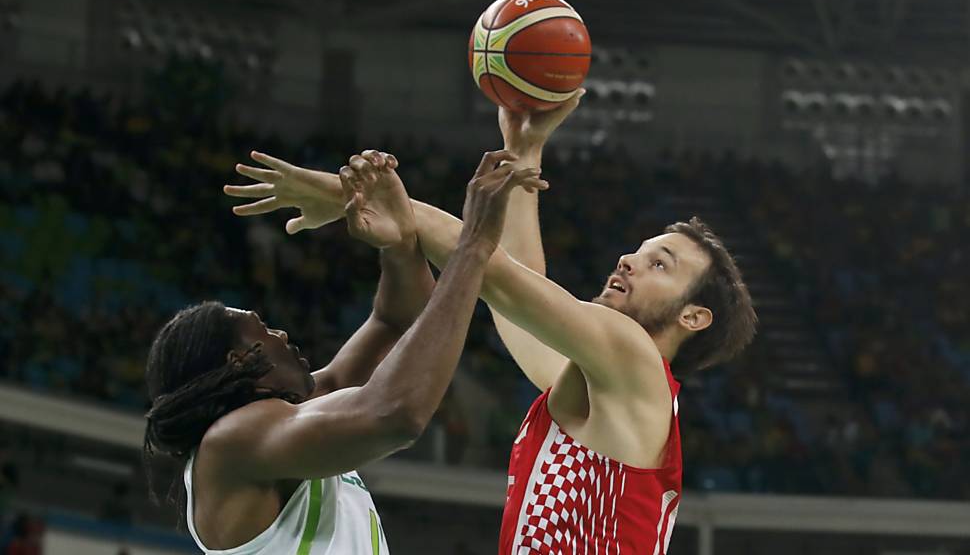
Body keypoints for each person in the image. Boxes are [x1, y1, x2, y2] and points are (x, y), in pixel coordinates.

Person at [226, 98, 757, 554]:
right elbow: (515, 301)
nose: (627, 260)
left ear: (694, 317)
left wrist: (348, 194)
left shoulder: (635, 359)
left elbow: (496, 276)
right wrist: (525, 152)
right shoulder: (605, 390)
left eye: (659, 264)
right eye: (639, 251)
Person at [145, 150, 546, 554]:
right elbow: (395, 413)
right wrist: (473, 245)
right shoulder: (230, 442)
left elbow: (396, 324)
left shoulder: (284, 423)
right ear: (239, 360)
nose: (281, 334)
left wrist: (400, 245)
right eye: (263, 330)